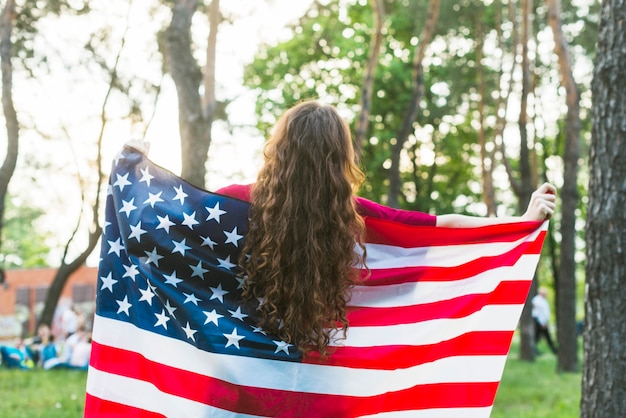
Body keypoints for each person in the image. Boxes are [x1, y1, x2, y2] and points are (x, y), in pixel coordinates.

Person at [214, 100, 557, 356]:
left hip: (242, 370)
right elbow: (444, 226)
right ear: (340, 157)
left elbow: (168, 230)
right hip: (319, 380)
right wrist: (521, 220)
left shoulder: (231, 204)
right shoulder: (354, 217)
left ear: (280, 149)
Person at [532, 286, 558, 355]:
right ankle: (554, 350)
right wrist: (542, 322)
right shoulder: (537, 300)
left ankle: (535, 350)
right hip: (539, 321)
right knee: (545, 336)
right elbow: (538, 313)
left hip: (542, 321)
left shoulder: (542, 300)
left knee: (537, 337)